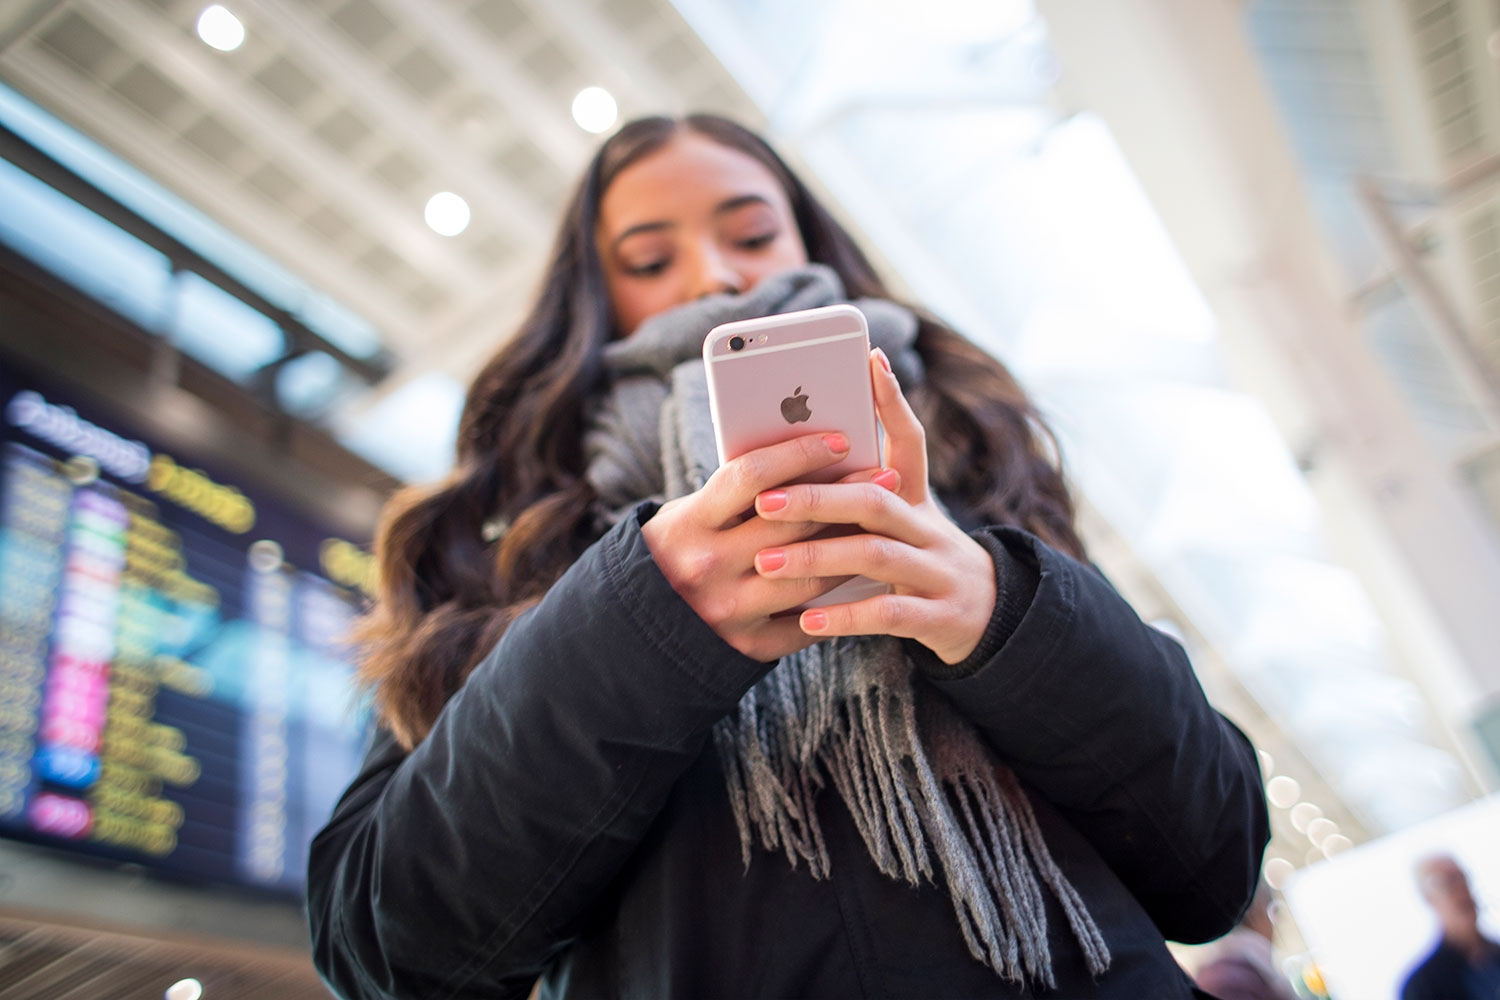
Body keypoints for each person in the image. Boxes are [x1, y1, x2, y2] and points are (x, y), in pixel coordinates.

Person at [306, 113, 1270, 998]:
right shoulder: (508, 546)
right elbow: (385, 951)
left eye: (754, 234)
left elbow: (1215, 861)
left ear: (814, 246)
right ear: (595, 302)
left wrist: (1001, 609)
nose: (715, 278)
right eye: (648, 258)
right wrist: (639, 625)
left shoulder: (979, 472)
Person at [1400, 853, 1500, 1000]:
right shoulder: (1422, 986)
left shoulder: (1495, 954)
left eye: (1462, 878)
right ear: (1428, 898)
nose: (1461, 891)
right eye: (1447, 883)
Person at [1193, 881, 1298, 1000]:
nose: (1275, 926)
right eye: (1275, 911)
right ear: (1257, 911)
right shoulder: (1234, 980)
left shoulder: (1222, 973)